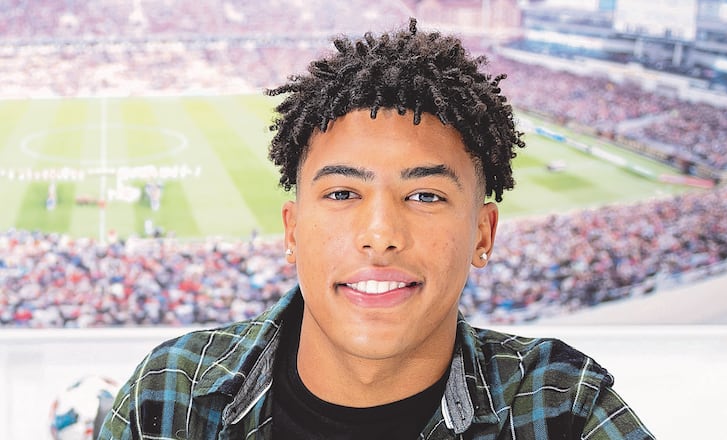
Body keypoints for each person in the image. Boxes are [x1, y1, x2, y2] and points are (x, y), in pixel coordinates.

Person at [98, 19, 653, 439]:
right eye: (343, 194)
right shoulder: (173, 393)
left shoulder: (559, 408)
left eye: (425, 196)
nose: (380, 233)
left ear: (483, 235)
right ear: (292, 231)